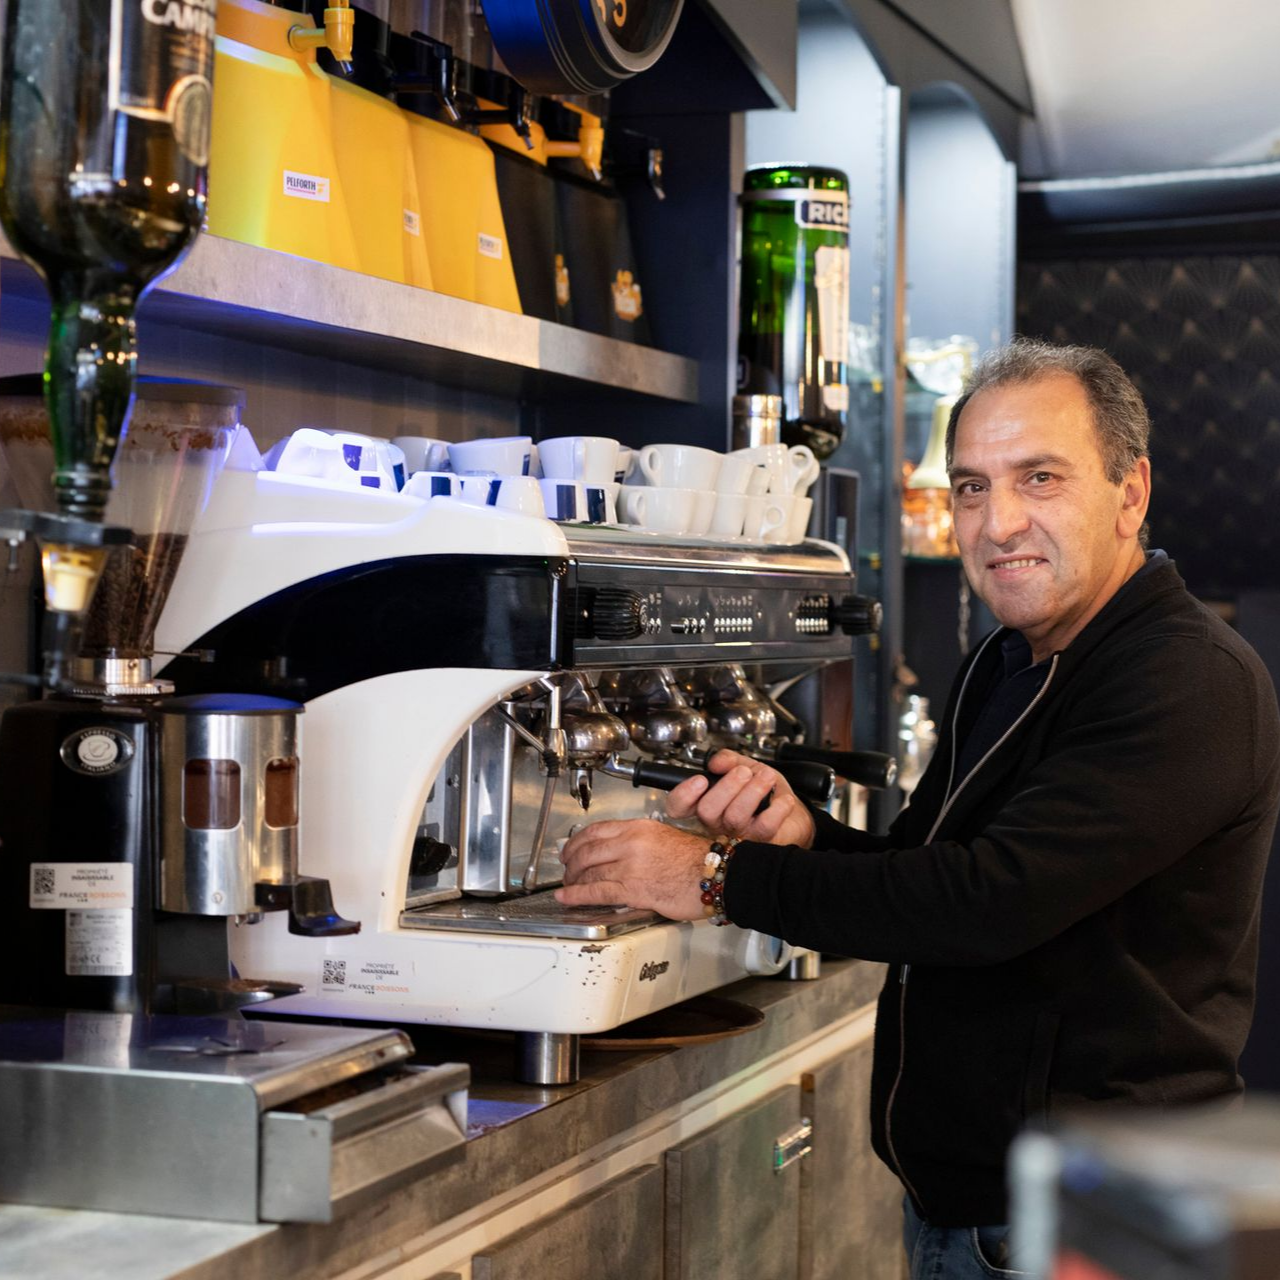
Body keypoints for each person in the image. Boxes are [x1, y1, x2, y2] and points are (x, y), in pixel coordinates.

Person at [556, 338, 1280, 1280]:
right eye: (972, 487)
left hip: (1087, 1224)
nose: (998, 522)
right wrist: (804, 839)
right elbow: (927, 865)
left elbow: (986, 904)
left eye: (1040, 478)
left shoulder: (1187, 679)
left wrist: (714, 876)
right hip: (976, 1211)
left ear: (1130, 492)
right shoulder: (1009, 659)